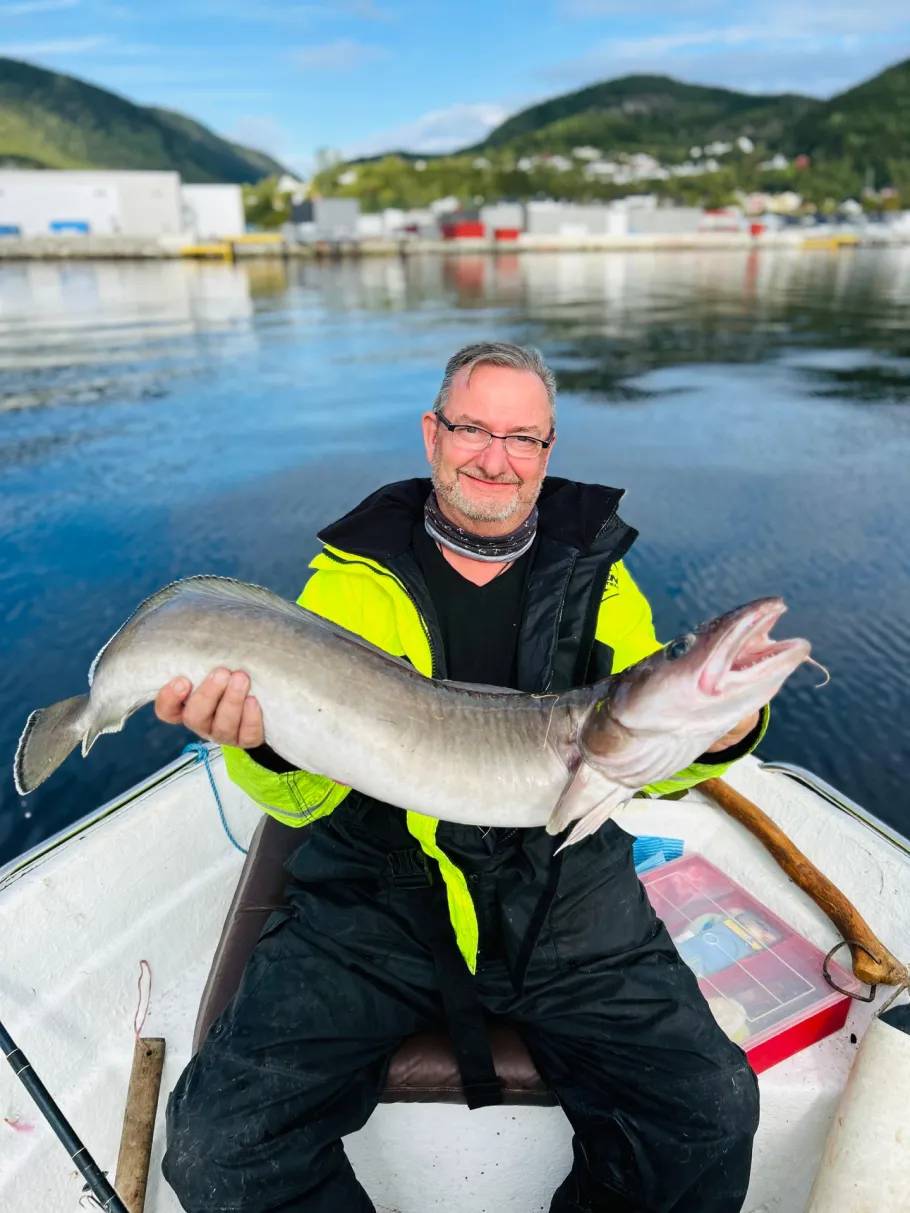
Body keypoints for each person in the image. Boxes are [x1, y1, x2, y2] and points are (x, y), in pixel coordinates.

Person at [159, 342, 767, 1213]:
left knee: (709, 1111)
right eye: (473, 428)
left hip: (566, 899)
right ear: (432, 434)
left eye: (522, 437)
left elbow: (650, 760)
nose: (495, 457)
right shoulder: (346, 588)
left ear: (548, 450)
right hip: (376, 901)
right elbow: (304, 799)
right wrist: (262, 748)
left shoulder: (602, 578)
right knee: (219, 1144)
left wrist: (721, 730)